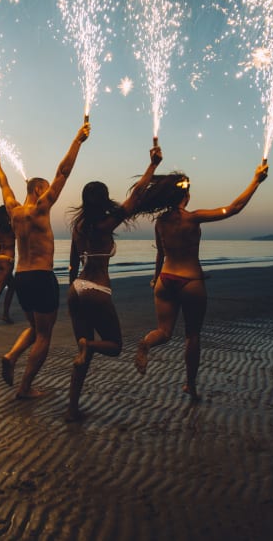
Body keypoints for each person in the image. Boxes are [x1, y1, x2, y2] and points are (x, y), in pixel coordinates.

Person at [130, 160, 269, 400]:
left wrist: (155, 279)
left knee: (163, 331)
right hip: (190, 280)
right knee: (192, 336)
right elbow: (233, 208)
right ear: (186, 195)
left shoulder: (161, 223)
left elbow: (160, 253)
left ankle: (145, 343)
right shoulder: (193, 218)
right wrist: (256, 181)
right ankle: (190, 386)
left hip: (165, 279)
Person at [0, 120, 90, 399]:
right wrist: (77, 141)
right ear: (38, 191)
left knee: (34, 328)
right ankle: (24, 388)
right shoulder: (41, 207)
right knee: (44, 335)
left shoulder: (13, 211)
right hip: (42, 276)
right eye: (45, 188)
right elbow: (64, 171)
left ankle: (11, 356)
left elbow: (4, 185)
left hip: (21, 277)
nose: (48, 192)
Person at [65, 144, 163, 421]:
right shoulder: (107, 224)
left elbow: (72, 263)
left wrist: (72, 294)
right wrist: (153, 165)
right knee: (115, 345)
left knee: (82, 353)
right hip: (96, 289)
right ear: (104, 199)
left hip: (76, 289)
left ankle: (72, 408)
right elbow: (137, 194)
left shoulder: (78, 227)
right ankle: (89, 346)